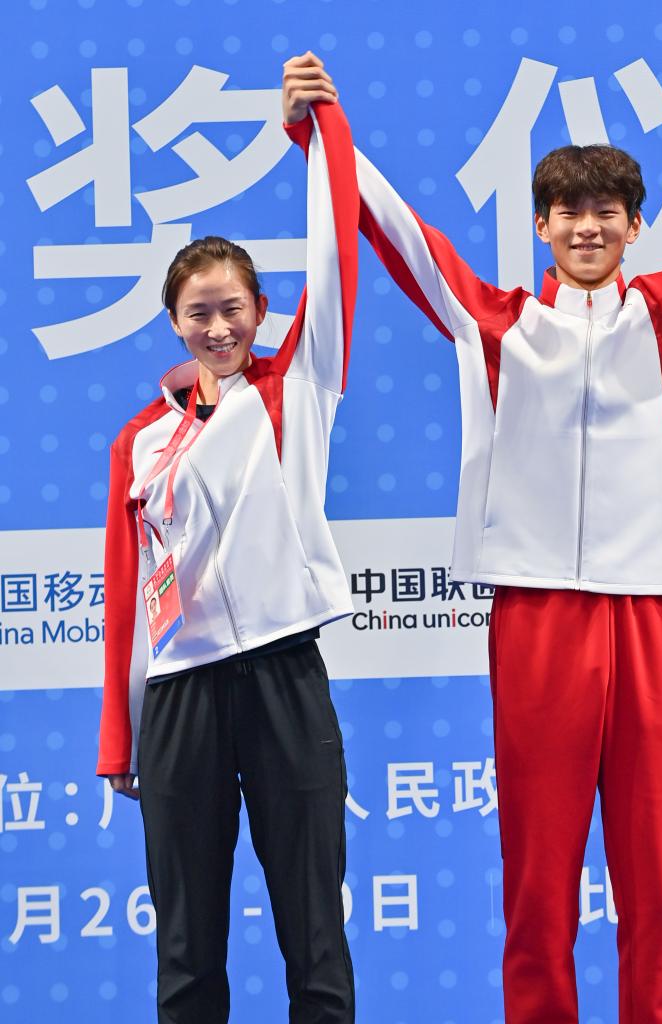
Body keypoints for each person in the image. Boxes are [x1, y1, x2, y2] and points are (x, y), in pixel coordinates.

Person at [282, 5, 662, 1022]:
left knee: (655, 885)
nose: (586, 226)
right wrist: (320, 132)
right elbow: (398, 231)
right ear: (540, 226)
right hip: (536, 616)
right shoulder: (496, 325)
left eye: (606, 211)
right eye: (566, 211)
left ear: (633, 227)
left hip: (648, 616)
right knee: (537, 886)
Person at [96, 100, 359, 1024]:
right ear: (173, 322)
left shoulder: (296, 390)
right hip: (179, 701)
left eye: (233, 309)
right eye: (198, 313)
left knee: (315, 937)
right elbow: (126, 601)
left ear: (260, 313)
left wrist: (319, 130)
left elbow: (336, 258)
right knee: (186, 949)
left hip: (285, 678)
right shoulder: (139, 441)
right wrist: (120, 735)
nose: (218, 327)